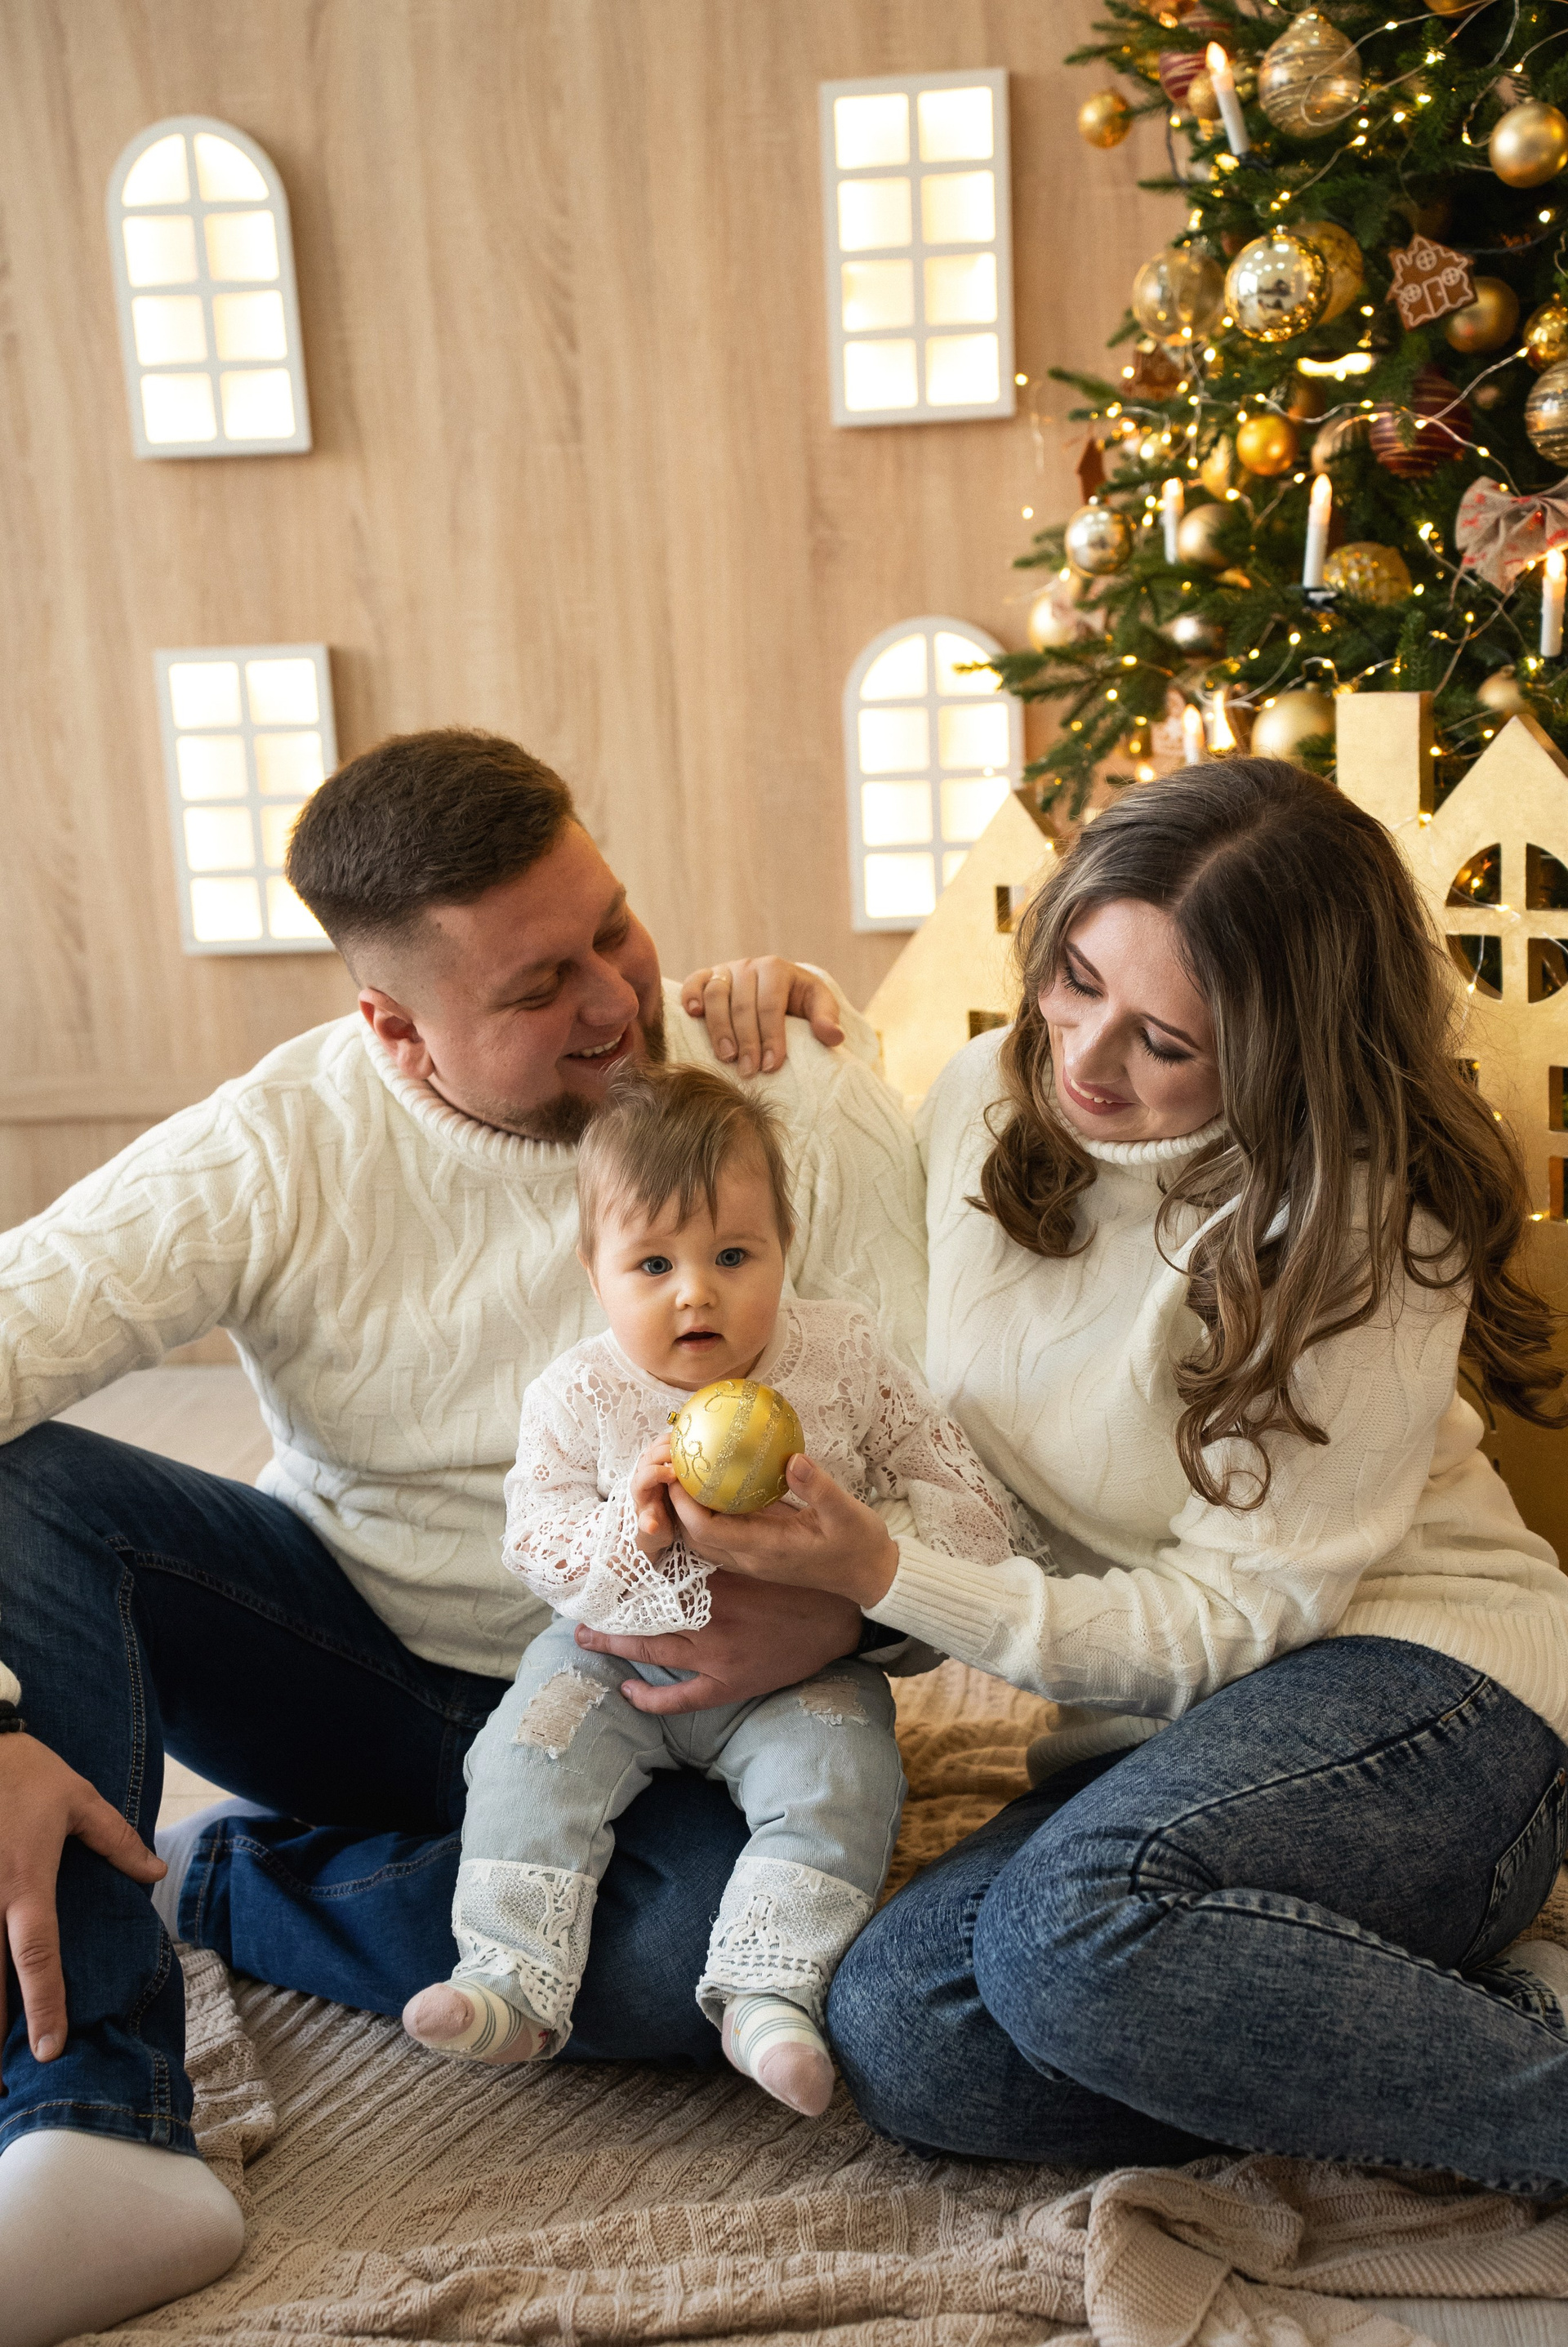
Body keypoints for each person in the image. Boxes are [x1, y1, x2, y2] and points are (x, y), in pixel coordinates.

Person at [0, 729, 927, 2347]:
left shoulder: (772, 1084)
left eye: (615, 927)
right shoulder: (277, 1145)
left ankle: (237, 1881)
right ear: (394, 1026)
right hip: (353, 1660)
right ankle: (93, 2128)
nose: (618, 999)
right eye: (540, 985)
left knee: (710, 1961)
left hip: (670, 1695)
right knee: (35, 1486)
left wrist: (856, 1618)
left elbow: (942, 1429)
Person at [670, 758, 1568, 2195]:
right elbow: (835, 1291)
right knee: (905, 2031)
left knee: (1067, 1937)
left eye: (1165, 1041)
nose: (1086, 1057)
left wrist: (887, 1575)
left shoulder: (1352, 1219)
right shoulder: (984, 1093)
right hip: (1165, 1735)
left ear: (1278, 1055)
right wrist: (783, 1032)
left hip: (1424, 1686)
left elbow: (1235, 1619)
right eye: (1075, 978)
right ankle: (1404, 1992)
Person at [401, 1062, 1018, 2113]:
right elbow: (534, 1541)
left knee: (846, 1778)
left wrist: (855, 1552)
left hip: (800, 1677)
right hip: (613, 1661)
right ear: (594, 1270)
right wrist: (629, 1532)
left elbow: (970, 1507)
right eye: (653, 1263)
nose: (697, 1291)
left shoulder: (843, 1357)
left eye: (734, 1255)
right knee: (525, 1755)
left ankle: (771, 1989)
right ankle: (509, 1976)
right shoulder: (580, 1391)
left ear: (785, 1245)